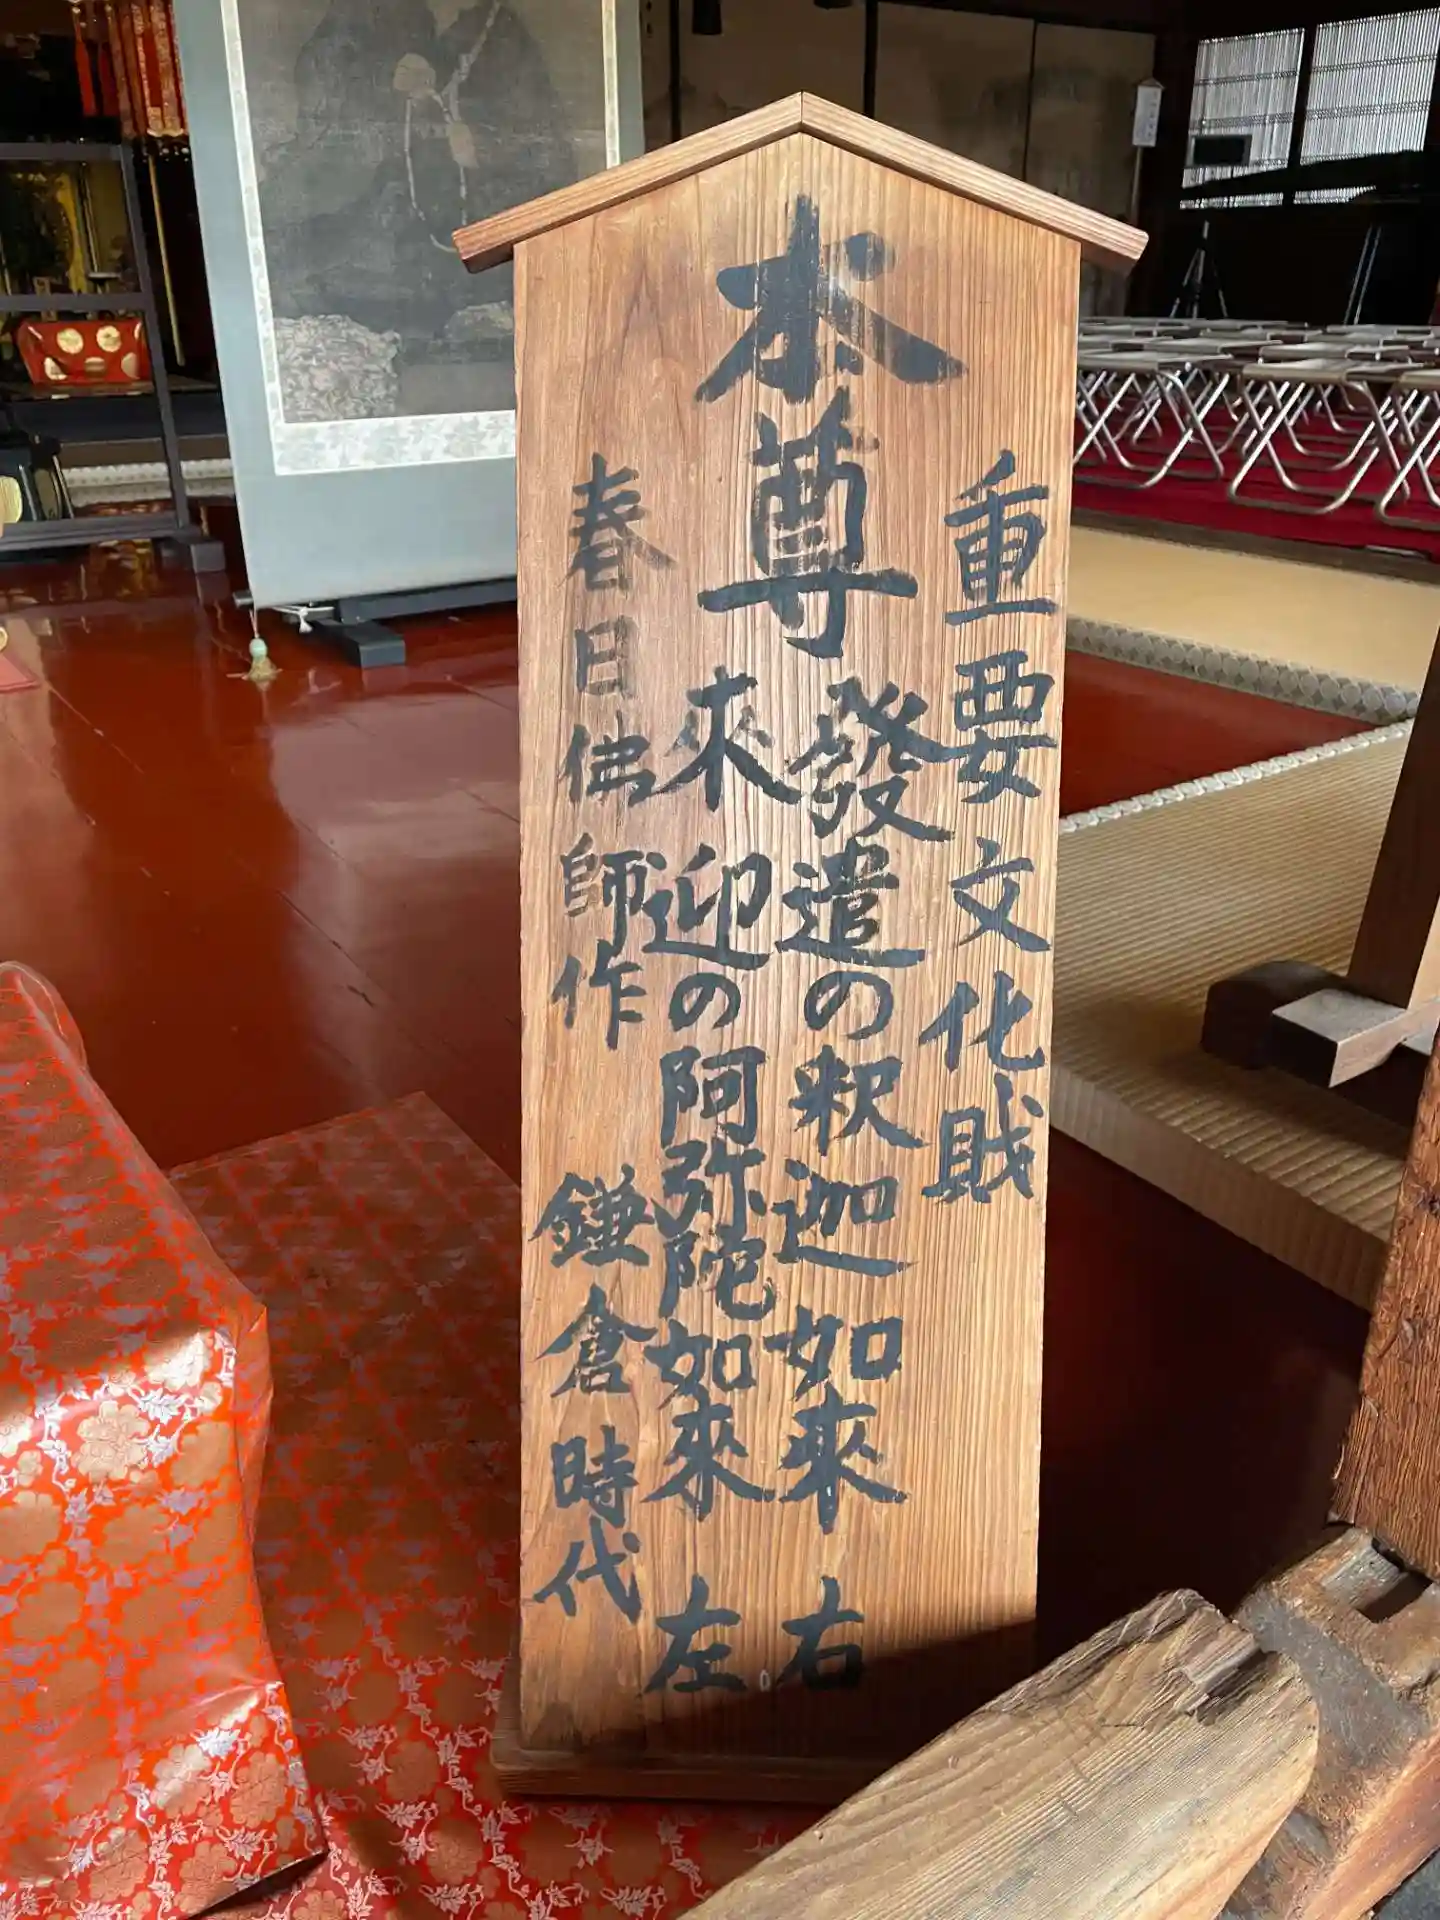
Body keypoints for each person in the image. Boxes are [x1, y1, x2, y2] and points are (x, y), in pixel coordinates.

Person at [259, 0, 579, 349]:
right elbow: (321, 75)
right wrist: (387, 78)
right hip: (379, 207)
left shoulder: (495, 28)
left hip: (472, 221)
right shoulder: (372, 13)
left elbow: (546, 144)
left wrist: (483, 145)